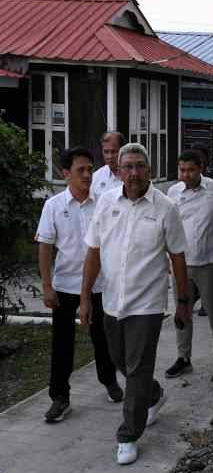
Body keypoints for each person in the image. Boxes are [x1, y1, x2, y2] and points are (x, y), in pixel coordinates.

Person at [80, 142, 190, 466]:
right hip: (112, 300)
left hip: (148, 303)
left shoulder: (165, 208)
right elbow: (94, 252)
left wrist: (183, 302)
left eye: (139, 166)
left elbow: (178, 257)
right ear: (118, 171)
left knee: (138, 366)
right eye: (127, 167)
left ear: (149, 170)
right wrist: (85, 298)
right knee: (121, 361)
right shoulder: (106, 203)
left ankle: (128, 434)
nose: (133, 173)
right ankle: (152, 394)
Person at [36, 147, 121, 423]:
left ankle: (109, 381)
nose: (87, 175)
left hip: (99, 285)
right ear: (66, 174)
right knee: (62, 344)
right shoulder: (54, 206)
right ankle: (60, 397)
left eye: (89, 169)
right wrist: (47, 285)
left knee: (104, 338)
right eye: (80, 170)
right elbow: (45, 246)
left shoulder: (104, 203)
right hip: (65, 285)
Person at [164, 150, 213, 379]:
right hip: (180, 262)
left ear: (201, 168)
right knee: (182, 309)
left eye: (191, 170)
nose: (186, 175)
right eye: (182, 170)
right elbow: (166, 226)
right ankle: (183, 357)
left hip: (208, 261)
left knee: (211, 306)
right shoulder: (173, 192)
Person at [92, 132, 124, 199]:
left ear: (122, 151)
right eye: (106, 152)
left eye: (114, 151)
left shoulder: (133, 176)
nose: (110, 156)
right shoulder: (95, 178)